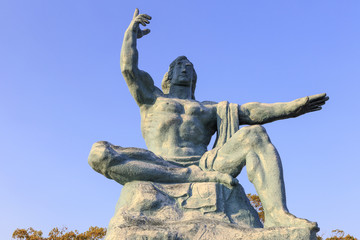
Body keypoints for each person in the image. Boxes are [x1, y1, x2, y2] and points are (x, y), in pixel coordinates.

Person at [88, 9, 328, 230]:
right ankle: (184, 176)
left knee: (255, 134)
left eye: (190, 66)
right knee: (99, 154)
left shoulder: (209, 108)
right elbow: (128, 69)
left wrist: (291, 107)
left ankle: (277, 214)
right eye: (179, 65)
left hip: (206, 164)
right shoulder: (152, 99)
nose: (185, 68)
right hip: (159, 162)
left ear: (195, 77)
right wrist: (130, 33)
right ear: (168, 75)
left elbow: (250, 111)